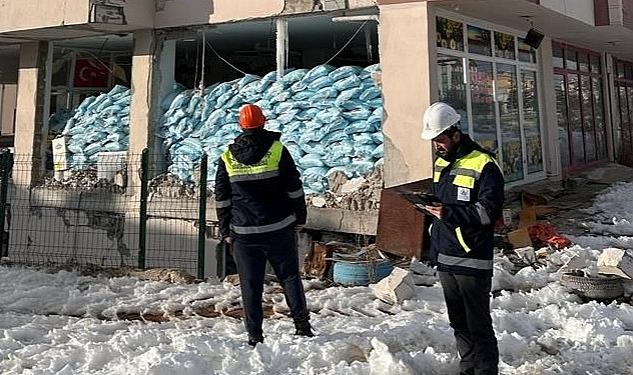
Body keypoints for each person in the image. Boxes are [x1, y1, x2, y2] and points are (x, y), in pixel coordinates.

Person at [214, 104, 313, 347]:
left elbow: (222, 197)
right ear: (263, 122)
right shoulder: (277, 150)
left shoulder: (227, 157)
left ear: (241, 125)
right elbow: (294, 187)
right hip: (279, 228)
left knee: (250, 285)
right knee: (289, 277)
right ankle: (302, 327)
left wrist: (226, 229)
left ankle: (254, 336)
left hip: (244, 233)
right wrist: (300, 216)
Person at [420, 102, 504, 374]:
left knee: (478, 324)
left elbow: (488, 212)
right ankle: (467, 369)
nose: (437, 146)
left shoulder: (484, 164)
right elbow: (443, 202)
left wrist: (448, 212)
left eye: (440, 140)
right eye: (434, 141)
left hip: (472, 257)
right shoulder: (441, 161)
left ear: (455, 134)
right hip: (446, 254)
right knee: (458, 322)